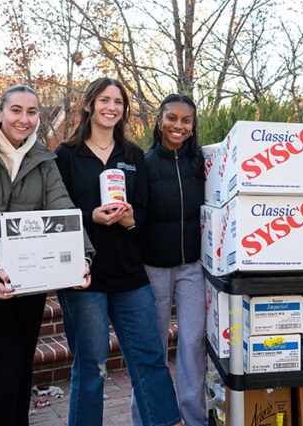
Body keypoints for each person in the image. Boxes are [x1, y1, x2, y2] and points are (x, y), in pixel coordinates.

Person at [0, 85, 94, 426]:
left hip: (29, 279)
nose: (24, 119)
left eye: (31, 112)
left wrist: (81, 256)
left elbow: (62, 206)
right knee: (5, 370)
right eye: (16, 110)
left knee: (23, 365)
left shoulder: (42, 157)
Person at [54, 78, 180, 426]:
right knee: (92, 367)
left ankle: (167, 423)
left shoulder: (133, 155)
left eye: (119, 101)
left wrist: (129, 220)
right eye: (104, 100)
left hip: (129, 274)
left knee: (150, 360)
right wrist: (89, 216)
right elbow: (55, 211)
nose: (112, 107)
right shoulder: (66, 155)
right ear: (89, 105)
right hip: (84, 275)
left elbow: (143, 212)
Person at [130, 94, 206, 426]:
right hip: (153, 268)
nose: (178, 125)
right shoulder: (145, 163)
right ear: (160, 120)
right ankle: (147, 417)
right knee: (152, 347)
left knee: (192, 342)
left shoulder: (201, 163)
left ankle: (193, 417)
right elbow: (138, 217)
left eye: (186, 120)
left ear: (193, 126)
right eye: (172, 118)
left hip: (193, 266)